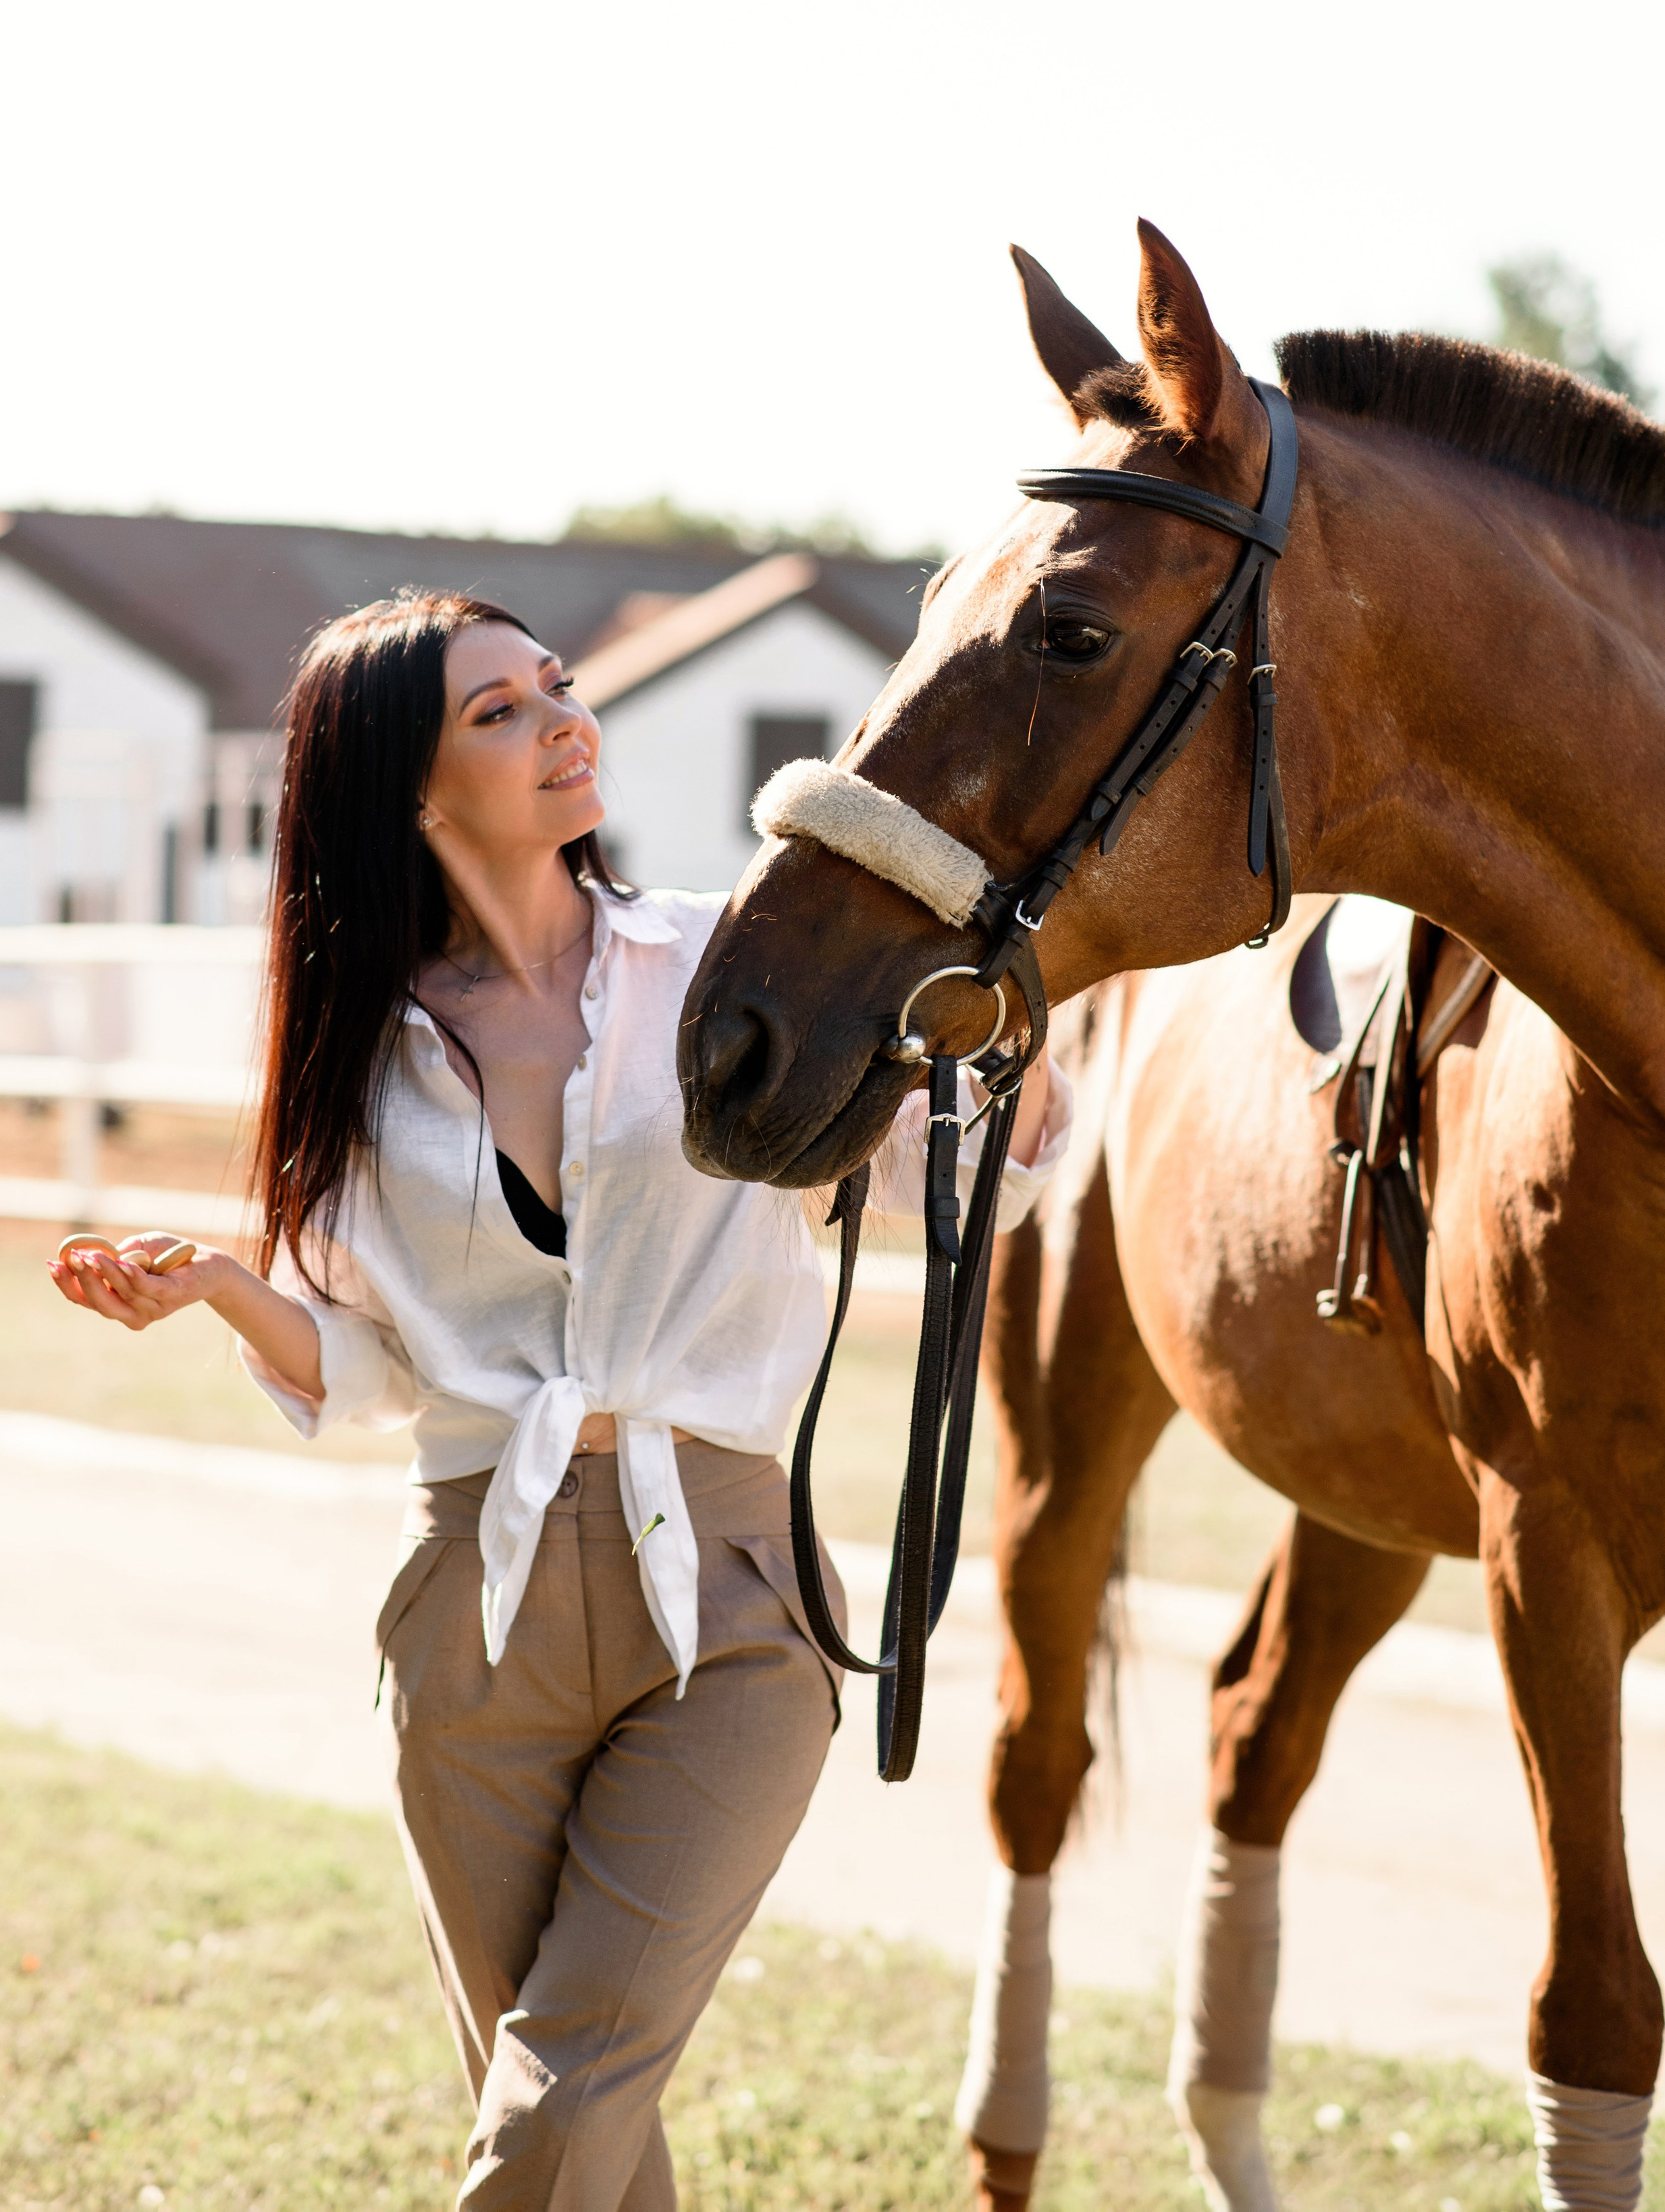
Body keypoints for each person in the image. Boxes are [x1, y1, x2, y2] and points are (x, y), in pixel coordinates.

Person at [48, 590, 1067, 2211]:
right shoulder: (358, 1053)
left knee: (565, 2083)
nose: (562, 724)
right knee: (579, 2125)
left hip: (734, 1597)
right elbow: (378, 1369)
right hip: (472, 1610)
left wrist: (1008, 1047)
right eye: (499, 713)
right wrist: (226, 1290)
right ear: (407, 789)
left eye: (557, 687)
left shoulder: (728, 961)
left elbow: (958, 1181)